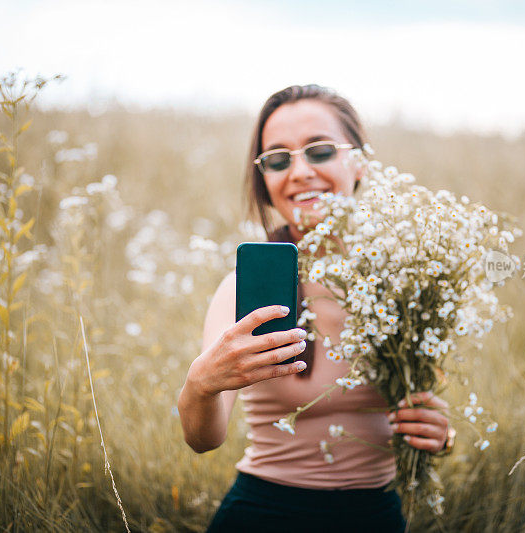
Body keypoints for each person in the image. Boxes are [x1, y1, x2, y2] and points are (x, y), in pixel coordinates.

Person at [177, 84, 452, 533]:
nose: (300, 171)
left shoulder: (406, 281)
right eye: (278, 160)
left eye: (319, 151)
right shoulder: (240, 290)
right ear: (265, 182)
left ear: (359, 163)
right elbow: (203, 439)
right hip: (263, 513)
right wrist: (199, 386)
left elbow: (421, 407)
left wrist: (440, 435)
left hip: (377, 515)